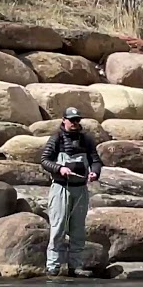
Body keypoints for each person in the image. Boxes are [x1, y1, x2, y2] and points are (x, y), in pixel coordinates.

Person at [39, 107, 101, 277]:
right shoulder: (56, 138)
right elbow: (44, 160)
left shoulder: (86, 140)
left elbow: (95, 161)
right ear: (64, 120)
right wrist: (59, 169)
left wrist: (95, 172)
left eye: (77, 120)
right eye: (71, 120)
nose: (74, 123)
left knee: (78, 229)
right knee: (58, 227)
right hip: (60, 188)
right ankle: (53, 266)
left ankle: (76, 266)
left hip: (80, 190)